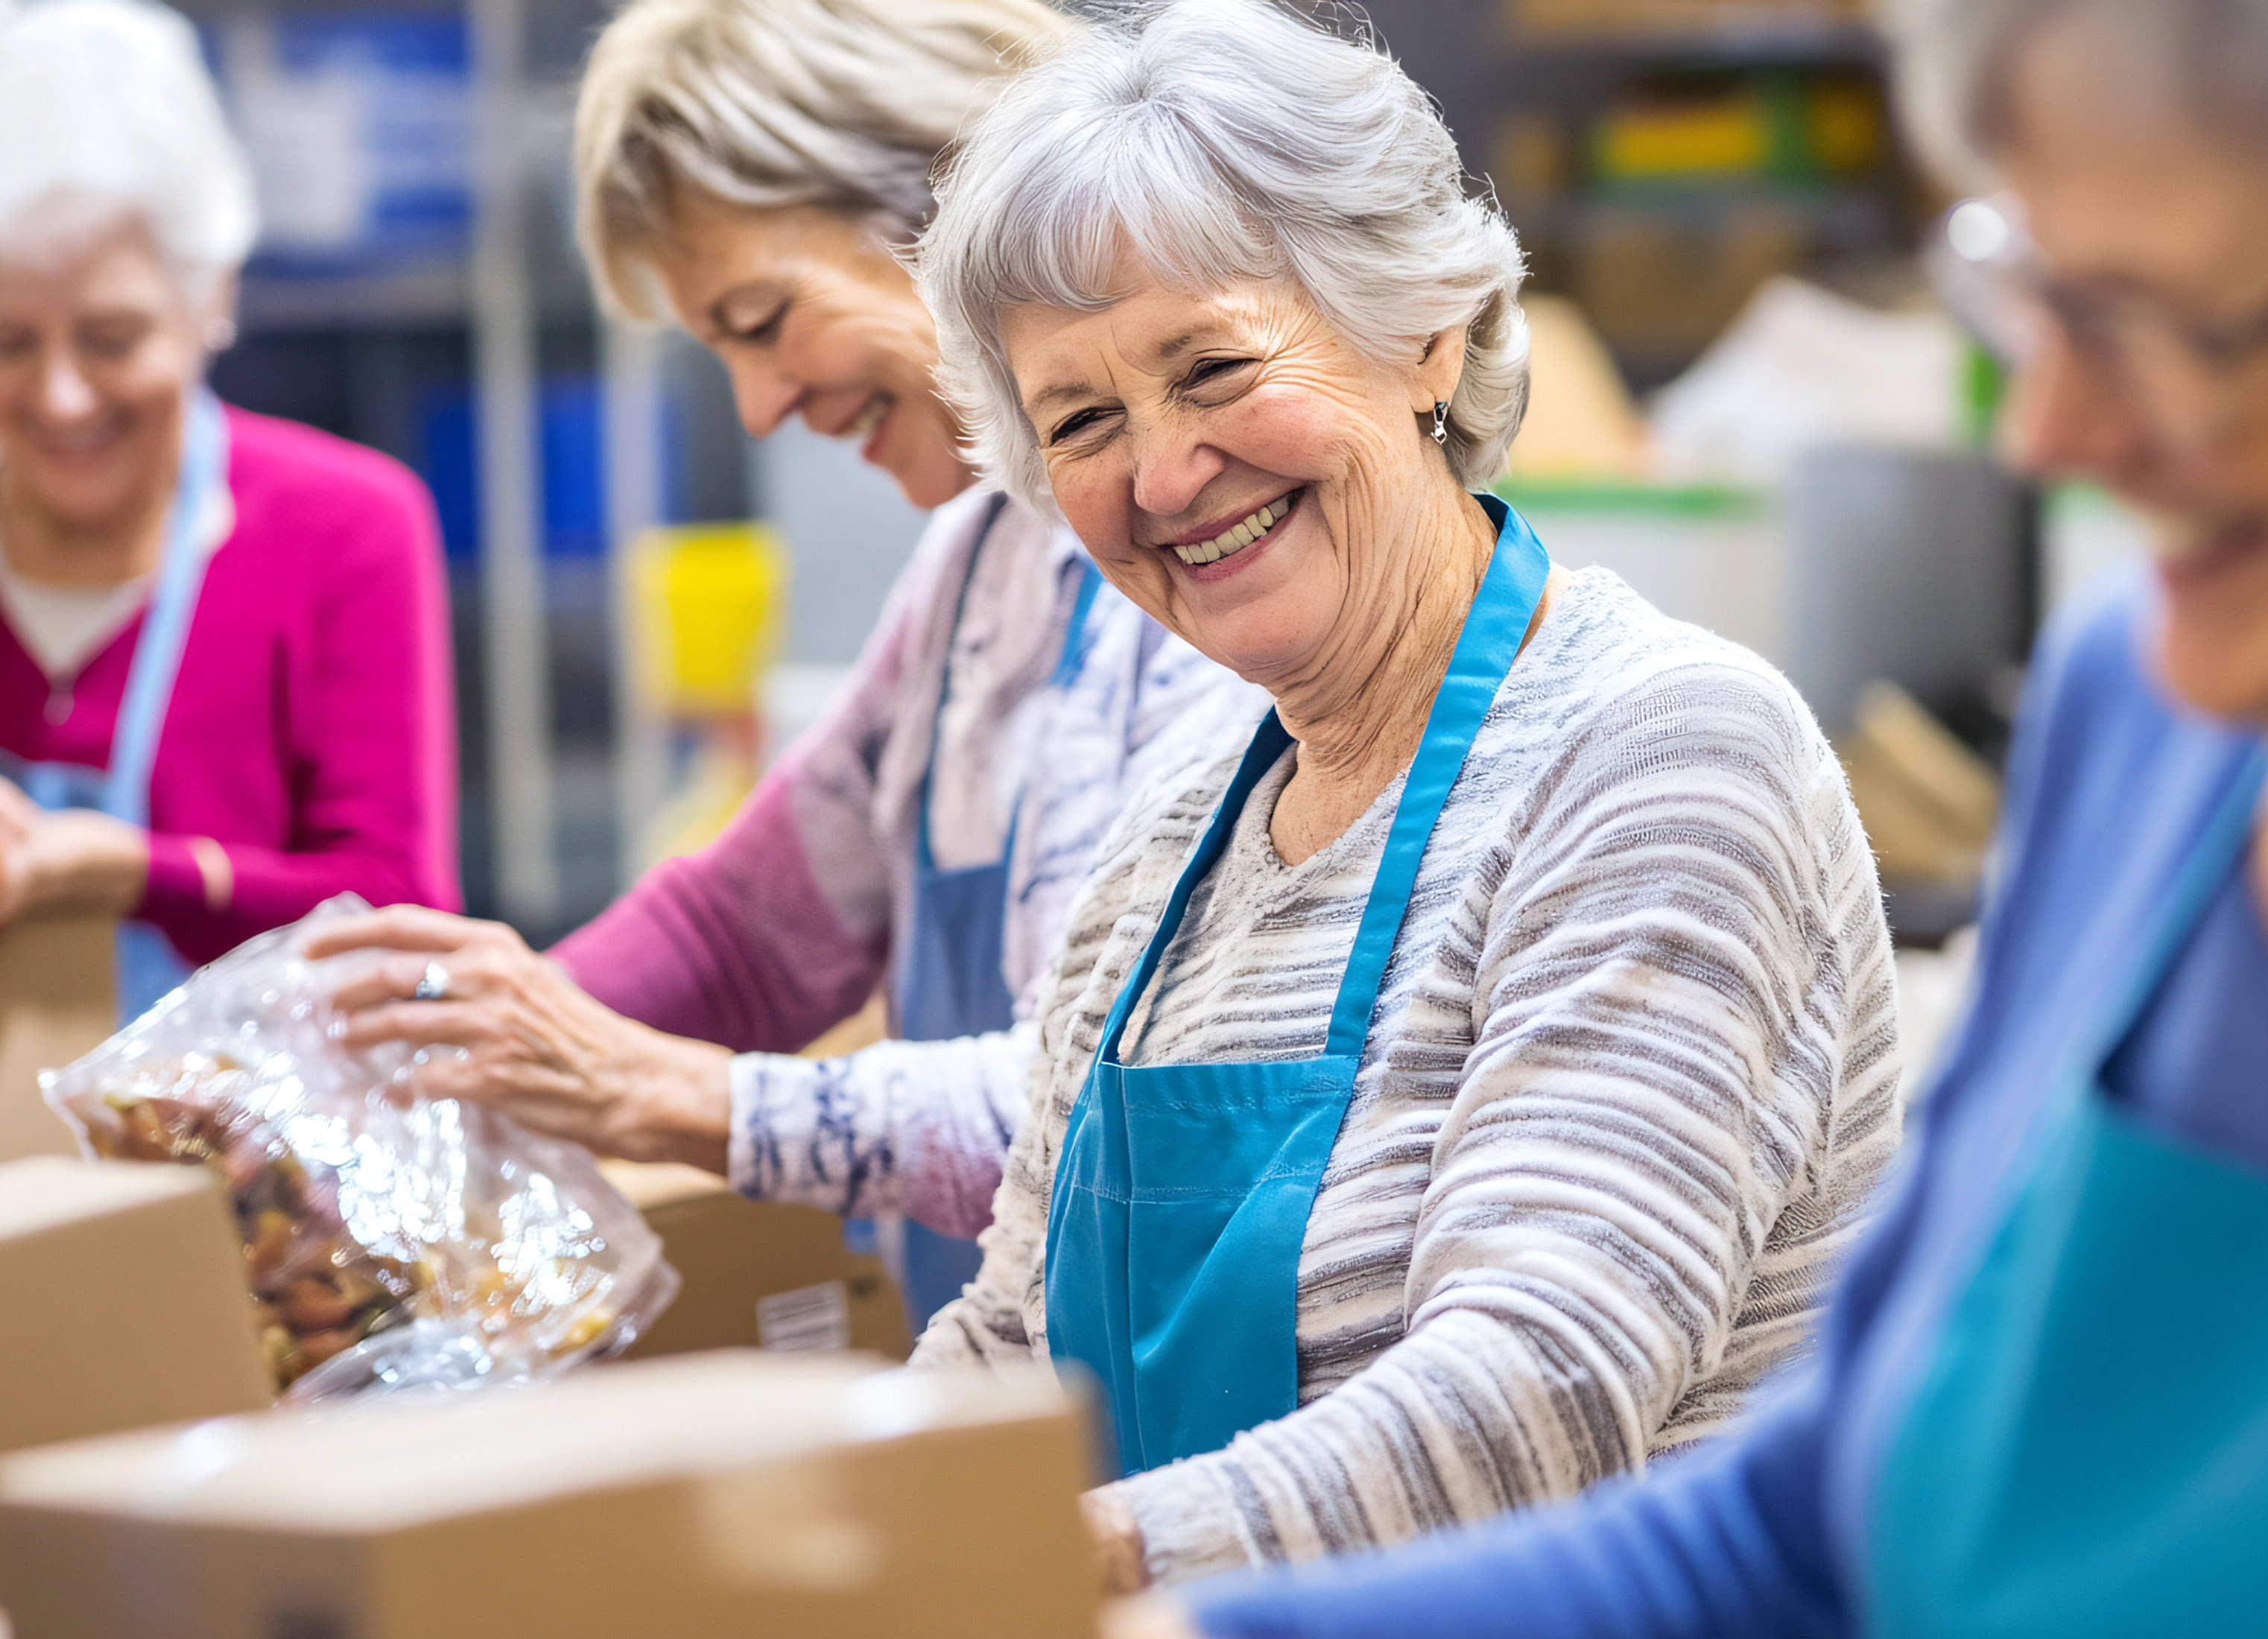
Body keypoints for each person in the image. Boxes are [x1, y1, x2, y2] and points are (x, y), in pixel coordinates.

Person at [1140, 0, 2268, 1634]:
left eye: (2153, 322)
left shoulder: (1661, 742)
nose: (2047, 434)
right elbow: (1809, 1523)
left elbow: (1536, 1377)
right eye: (2030, 292)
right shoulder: (2145, 713)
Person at [890, 0, 1901, 1596]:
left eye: (1212, 366)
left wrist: (1029, 1564)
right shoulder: (1171, 852)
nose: (1161, 476)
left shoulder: (1662, 752)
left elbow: (1536, 1388)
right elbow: (1011, 1340)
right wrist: (809, 1528)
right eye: (1082, 420)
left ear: (1422, 331)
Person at [307, 0, 1259, 1328]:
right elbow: (749, 927)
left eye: (763, 321)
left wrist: (663, 1094)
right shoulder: (980, 567)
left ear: (943, 209)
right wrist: (467, 1038)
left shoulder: (1204, 576)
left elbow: (1102, 1111)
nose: (761, 408)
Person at [0, 0, 456, 1018]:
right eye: (9, 345)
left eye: (112, 339)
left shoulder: (343, 531)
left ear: (210, 301)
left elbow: (400, 912)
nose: (61, 397)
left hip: (238, 1167)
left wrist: (136, 876)